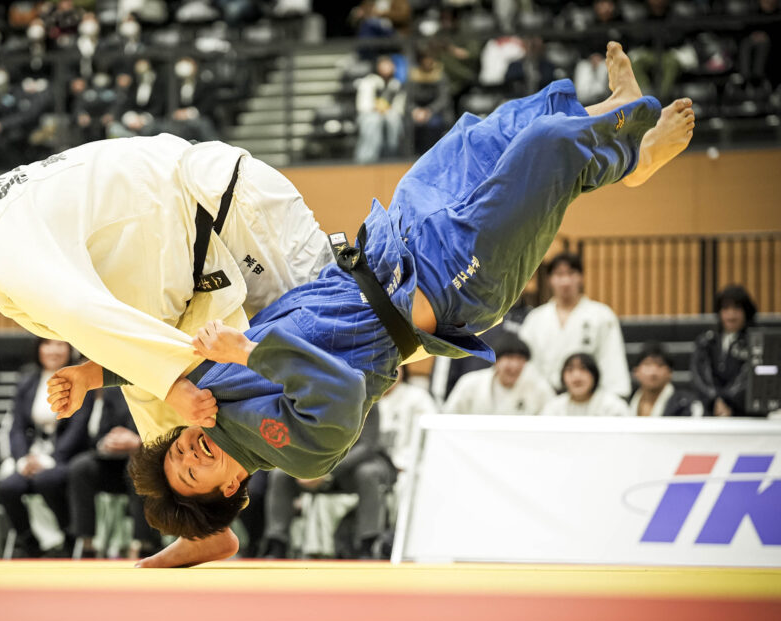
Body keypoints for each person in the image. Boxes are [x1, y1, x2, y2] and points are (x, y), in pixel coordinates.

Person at [122, 43, 693, 566]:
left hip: (393, 238)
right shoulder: (297, 454)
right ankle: (632, 155)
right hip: (449, 285)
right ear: (228, 489)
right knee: (545, 150)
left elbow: (151, 358)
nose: (189, 453)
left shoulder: (205, 397)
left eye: (176, 454)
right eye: (190, 473)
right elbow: (340, 392)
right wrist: (248, 352)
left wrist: (88, 371)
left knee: (489, 133)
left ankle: (615, 117)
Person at [0, 133, 333, 444]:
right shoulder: (0, 216)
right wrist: (95, 374)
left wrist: (171, 386)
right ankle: (201, 526)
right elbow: (121, 320)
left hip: (227, 212)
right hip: (202, 240)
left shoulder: (0, 255)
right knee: (166, 417)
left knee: (333, 341)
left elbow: (84, 314)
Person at [0, 339, 93, 557]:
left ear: (70, 350)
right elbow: (17, 427)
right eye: (47, 344)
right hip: (31, 456)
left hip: (66, 457)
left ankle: (68, 536)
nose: (53, 350)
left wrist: (50, 460)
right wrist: (22, 459)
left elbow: (78, 428)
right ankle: (30, 543)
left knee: (47, 480)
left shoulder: (81, 380)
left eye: (60, 345)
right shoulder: (27, 382)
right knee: (8, 487)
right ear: (38, 349)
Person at [262, 406, 394, 560]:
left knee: (368, 473)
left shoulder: (367, 397)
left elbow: (366, 446)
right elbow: (297, 436)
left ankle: (368, 545)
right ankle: (277, 544)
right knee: (280, 474)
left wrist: (325, 470)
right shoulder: (307, 396)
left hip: (354, 466)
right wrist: (305, 466)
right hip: (315, 463)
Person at [518, 251, 631, 398]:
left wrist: (614, 397)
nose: (565, 281)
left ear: (581, 278)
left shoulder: (602, 316)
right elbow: (527, 364)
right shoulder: (535, 318)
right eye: (559, 274)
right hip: (544, 399)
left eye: (571, 273)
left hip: (590, 398)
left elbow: (611, 360)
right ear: (550, 280)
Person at [67, 386, 160, 559]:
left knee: (137, 466)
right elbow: (101, 433)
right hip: (115, 461)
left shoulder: (159, 386)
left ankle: (143, 544)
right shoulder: (113, 390)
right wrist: (108, 441)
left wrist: (139, 442)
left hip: (153, 458)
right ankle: (87, 544)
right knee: (80, 467)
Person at [443, 335, 554, 415]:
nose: (515, 365)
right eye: (509, 358)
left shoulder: (539, 388)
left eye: (520, 359)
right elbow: (449, 417)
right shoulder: (470, 383)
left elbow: (550, 421)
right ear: (495, 361)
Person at [691, 284, 757, 417]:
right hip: (711, 412)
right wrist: (715, 401)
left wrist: (728, 402)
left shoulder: (755, 342)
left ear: (746, 311)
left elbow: (752, 376)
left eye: (737, 308)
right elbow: (699, 376)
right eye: (725, 308)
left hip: (745, 414)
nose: (731, 314)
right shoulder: (706, 341)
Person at [541, 353, 630, 417]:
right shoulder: (553, 407)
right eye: (570, 370)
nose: (576, 376)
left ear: (594, 375)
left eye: (583, 369)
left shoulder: (613, 406)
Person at [629, 342, 703, 417]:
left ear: (670, 372)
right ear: (636, 371)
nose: (653, 372)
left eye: (660, 365)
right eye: (647, 364)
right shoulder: (626, 403)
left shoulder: (686, 404)